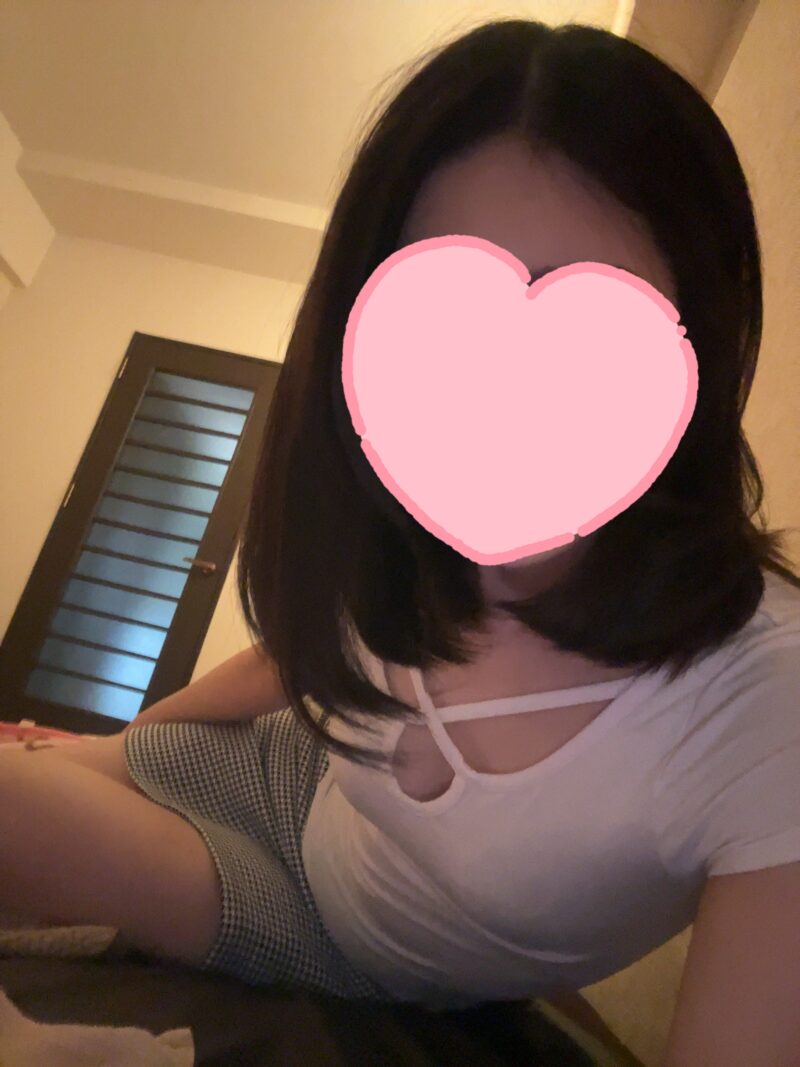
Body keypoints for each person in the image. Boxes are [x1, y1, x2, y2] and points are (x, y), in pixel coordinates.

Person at [2, 17, 799, 1062]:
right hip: (274, 764)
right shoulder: (402, 535)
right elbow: (292, 658)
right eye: (444, 325)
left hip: (322, 928)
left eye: (590, 342)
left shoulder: (762, 707)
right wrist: (127, 742)